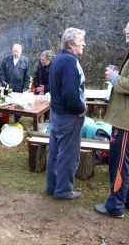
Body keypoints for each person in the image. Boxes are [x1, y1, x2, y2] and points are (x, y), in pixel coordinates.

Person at [46, 27, 86, 200]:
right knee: (68, 156)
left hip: (56, 114)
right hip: (69, 116)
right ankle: (63, 191)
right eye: (81, 40)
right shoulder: (70, 61)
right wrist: (80, 109)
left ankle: (52, 187)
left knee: (55, 153)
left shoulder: (58, 59)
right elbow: (70, 93)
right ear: (70, 44)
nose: (84, 43)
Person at [94, 23, 129, 218]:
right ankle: (125, 199)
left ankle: (115, 206)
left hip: (125, 122)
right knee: (125, 164)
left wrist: (114, 78)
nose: (126, 31)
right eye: (125, 28)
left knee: (119, 165)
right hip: (123, 120)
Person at [0, 44, 30, 123]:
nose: (15, 53)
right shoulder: (7, 59)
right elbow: (1, 71)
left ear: (21, 51)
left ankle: (18, 119)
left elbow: (27, 76)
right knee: (6, 104)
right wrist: (3, 81)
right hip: (7, 86)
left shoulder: (25, 61)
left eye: (17, 52)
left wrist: (26, 86)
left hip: (19, 87)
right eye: (14, 51)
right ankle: (5, 120)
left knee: (18, 104)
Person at [36, 50, 55, 122]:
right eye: (41, 59)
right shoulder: (41, 65)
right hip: (43, 89)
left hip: (51, 90)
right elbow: (40, 77)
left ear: (49, 60)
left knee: (48, 106)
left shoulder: (54, 66)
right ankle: (38, 119)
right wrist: (41, 88)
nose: (41, 61)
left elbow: (55, 82)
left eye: (43, 60)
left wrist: (45, 88)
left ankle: (47, 119)